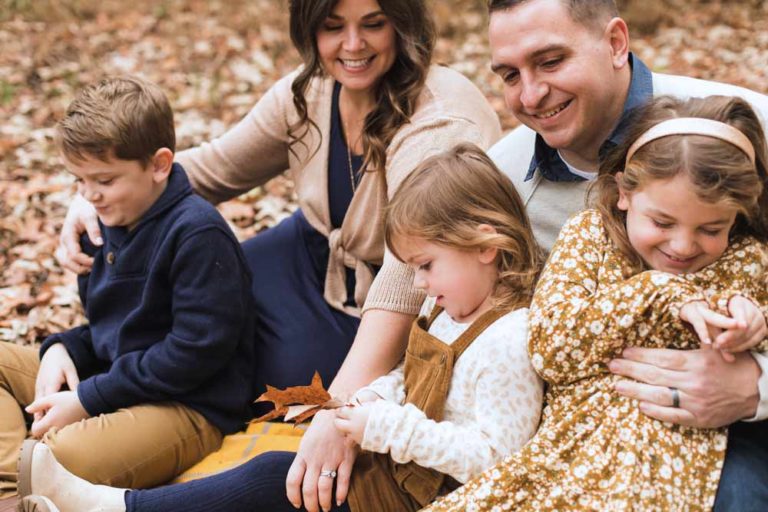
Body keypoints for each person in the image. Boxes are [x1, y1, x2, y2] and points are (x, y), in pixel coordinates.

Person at [54, 2, 500, 509]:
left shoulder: (439, 121)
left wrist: (339, 410)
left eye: (373, 24)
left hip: (394, 296)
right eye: (333, 28)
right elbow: (216, 167)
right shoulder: (309, 90)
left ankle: (148, 434)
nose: (352, 46)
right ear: (309, 29)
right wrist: (92, 194)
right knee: (200, 302)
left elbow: (405, 277)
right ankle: (93, 383)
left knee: (247, 365)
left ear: (404, 23)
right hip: (305, 255)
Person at [19, 144, 545, 512]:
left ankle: (115, 507)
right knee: (282, 472)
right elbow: (410, 380)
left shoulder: (507, 341)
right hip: (395, 470)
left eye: (426, 265)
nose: (420, 284)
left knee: (274, 480)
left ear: (486, 246)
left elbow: (495, 462)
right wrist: (365, 402)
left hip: (421, 496)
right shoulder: (451, 310)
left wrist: (386, 428)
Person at [482, 0, 768, 507]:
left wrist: (758, 381)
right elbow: (417, 272)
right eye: (509, 74)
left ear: (617, 43)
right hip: (588, 445)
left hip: (735, 440)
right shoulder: (506, 178)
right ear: (621, 192)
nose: (530, 94)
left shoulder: (745, 138)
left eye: (550, 61)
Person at [425, 95, 768, 510]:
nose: (683, 245)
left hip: (671, 467)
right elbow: (551, 349)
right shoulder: (591, 238)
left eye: (711, 228)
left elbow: (749, 333)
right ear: (625, 192)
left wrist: (753, 328)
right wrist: (656, 293)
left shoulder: (747, 259)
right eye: (662, 222)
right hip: (569, 455)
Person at [0, 75, 255, 510]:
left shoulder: (197, 234)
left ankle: (20, 476)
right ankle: (15, 483)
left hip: (189, 408)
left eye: (103, 180)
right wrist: (63, 347)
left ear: (159, 165)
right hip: (116, 379)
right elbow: (117, 330)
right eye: (78, 180)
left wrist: (86, 399)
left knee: (60, 457)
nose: (88, 196)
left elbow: (193, 353)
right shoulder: (105, 223)